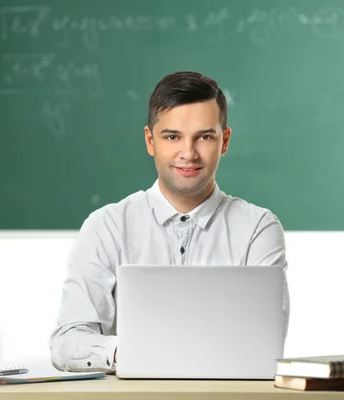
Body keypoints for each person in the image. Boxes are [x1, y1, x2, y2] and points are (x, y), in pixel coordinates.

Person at [50, 71, 289, 372]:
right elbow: (66, 342)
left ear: (224, 141)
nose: (188, 153)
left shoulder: (258, 229)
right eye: (172, 136)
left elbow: (265, 345)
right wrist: (128, 352)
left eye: (204, 136)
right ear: (150, 141)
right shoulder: (106, 226)